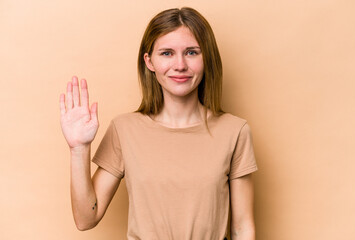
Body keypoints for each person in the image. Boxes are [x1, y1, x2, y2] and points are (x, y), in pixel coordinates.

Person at [59, 7, 258, 240]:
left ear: (207, 58)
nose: (180, 65)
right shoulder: (124, 129)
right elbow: (85, 219)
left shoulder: (234, 131)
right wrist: (79, 149)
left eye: (192, 52)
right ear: (149, 61)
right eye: (166, 53)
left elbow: (242, 228)